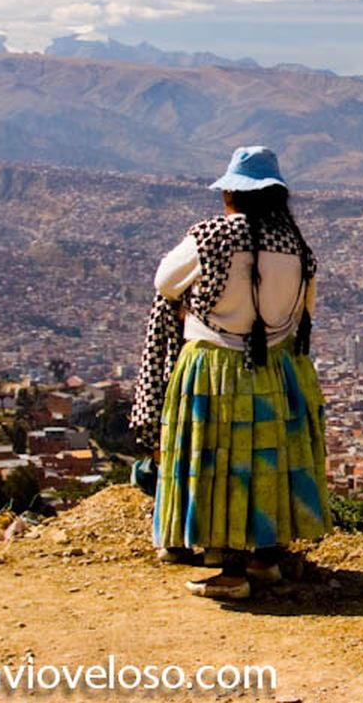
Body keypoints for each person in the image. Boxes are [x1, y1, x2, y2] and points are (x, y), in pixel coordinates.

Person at [129, 146, 330, 600]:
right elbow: (305, 312)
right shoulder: (297, 247)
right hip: (274, 370)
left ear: (231, 194)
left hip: (214, 368)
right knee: (263, 462)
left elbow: (165, 282)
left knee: (216, 461)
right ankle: (265, 558)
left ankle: (230, 571)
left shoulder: (211, 236)